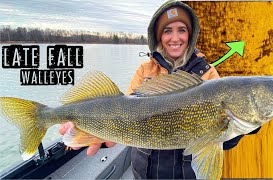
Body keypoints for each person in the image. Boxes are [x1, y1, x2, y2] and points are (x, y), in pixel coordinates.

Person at [59, 0, 260, 179]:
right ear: (158, 36)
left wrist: (242, 127)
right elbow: (124, 112)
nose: (175, 37)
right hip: (145, 172)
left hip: (186, 174)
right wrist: (100, 137)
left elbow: (220, 142)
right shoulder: (145, 70)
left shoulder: (207, 73)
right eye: (167, 30)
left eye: (182, 29)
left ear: (190, 35)